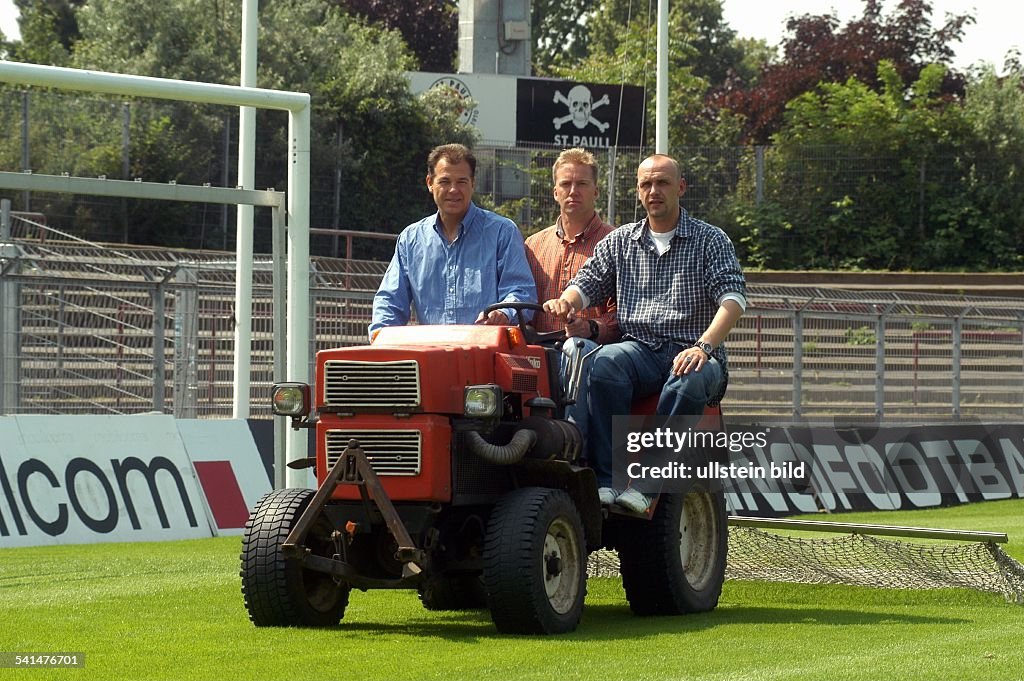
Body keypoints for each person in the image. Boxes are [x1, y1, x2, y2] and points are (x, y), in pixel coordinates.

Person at [543, 154, 746, 513]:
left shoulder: (711, 240)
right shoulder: (621, 241)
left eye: (663, 182)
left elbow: (733, 301)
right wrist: (565, 301)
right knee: (604, 362)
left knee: (690, 376)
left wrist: (703, 347)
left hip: (696, 350)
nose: (655, 191)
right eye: (646, 184)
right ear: (638, 192)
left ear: (680, 187)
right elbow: (586, 283)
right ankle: (608, 481)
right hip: (641, 351)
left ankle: (647, 485)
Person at [370, 143, 537, 337]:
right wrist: (380, 335)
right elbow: (390, 300)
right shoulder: (410, 239)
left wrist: (504, 313)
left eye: (462, 181)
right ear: (429, 183)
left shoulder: (502, 232)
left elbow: (521, 291)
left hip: (486, 353)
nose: (453, 190)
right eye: (445, 181)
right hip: (431, 353)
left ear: (473, 183)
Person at [524, 147, 619, 431]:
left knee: (575, 348)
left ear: (596, 192)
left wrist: (591, 328)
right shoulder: (532, 246)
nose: (573, 191)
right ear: (555, 192)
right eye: (566, 184)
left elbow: (626, 316)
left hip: (594, 354)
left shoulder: (617, 243)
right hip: (538, 354)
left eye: (582, 184)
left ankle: (573, 447)